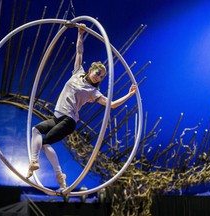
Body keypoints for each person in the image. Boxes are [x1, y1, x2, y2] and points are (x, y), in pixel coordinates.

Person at [26, 24, 137, 190]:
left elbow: (111, 105)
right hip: (57, 116)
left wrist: (129, 95)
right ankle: (34, 162)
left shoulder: (93, 92)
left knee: (45, 142)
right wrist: (80, 33)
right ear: (91, 69)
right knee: (36, 130)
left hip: (68, 120)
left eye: (102, 77)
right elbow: (79, 52)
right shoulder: (78, 72)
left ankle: (59, 174)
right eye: (98, 74)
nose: (99, 78)